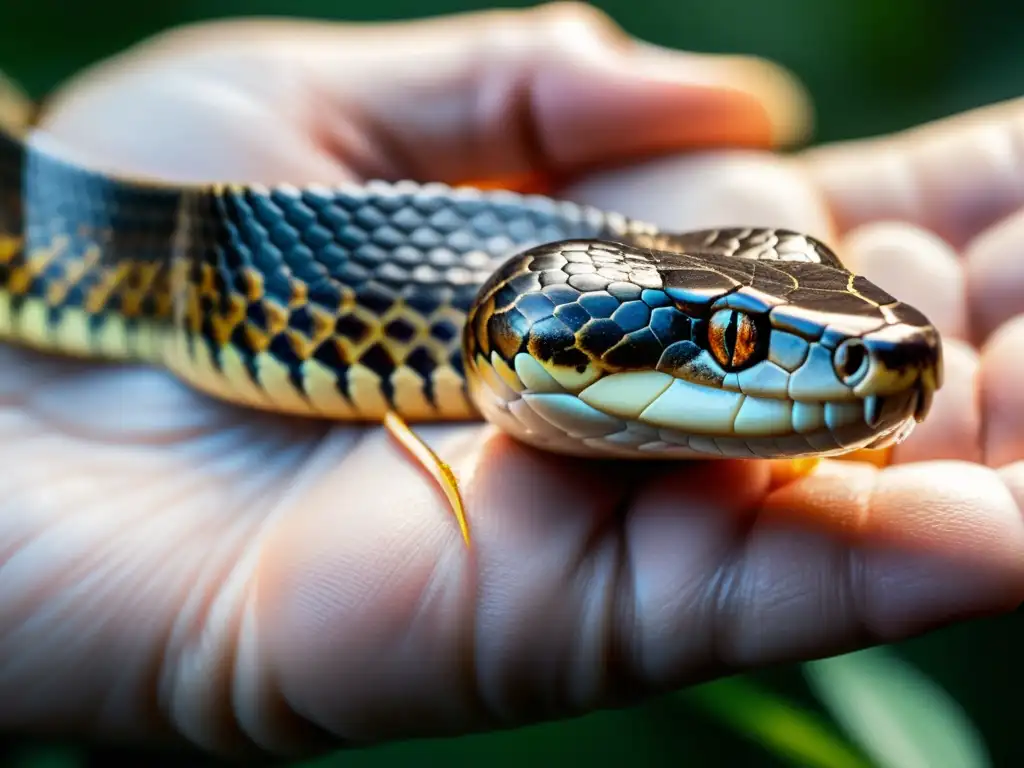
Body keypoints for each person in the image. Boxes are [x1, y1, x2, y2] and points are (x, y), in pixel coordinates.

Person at [4, 3, 1024, 759]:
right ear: (539, 341)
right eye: (735, 342)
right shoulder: (528, 306)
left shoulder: (548, 291)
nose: (879, 360)